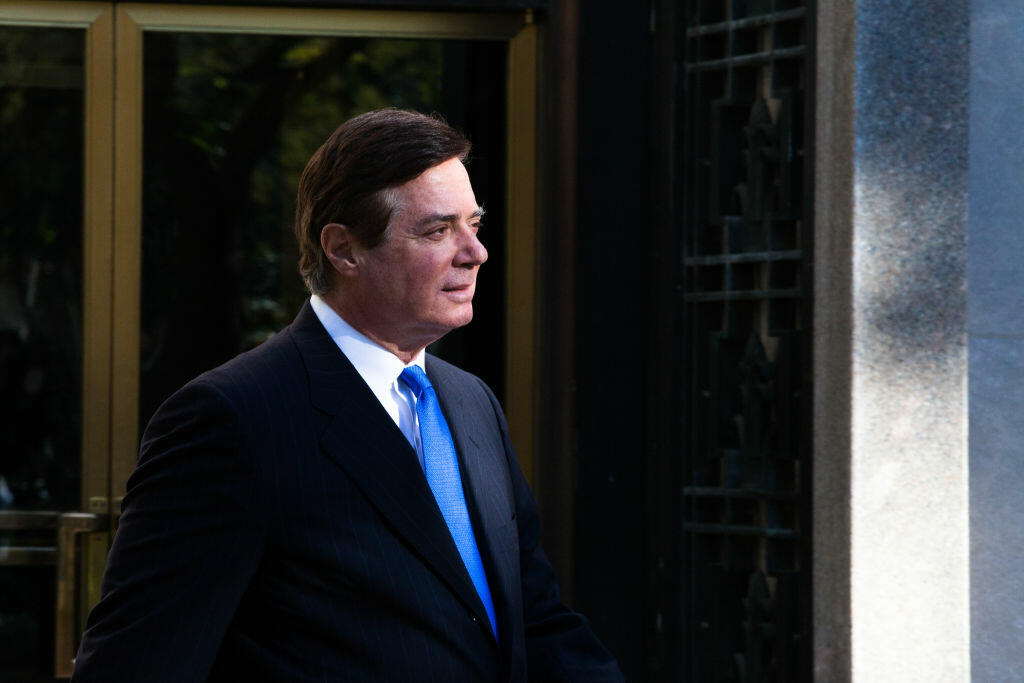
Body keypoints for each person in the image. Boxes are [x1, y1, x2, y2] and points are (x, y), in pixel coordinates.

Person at [73, 109, 623, 682]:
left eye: (474, 224)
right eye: (438, 231)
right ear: (344, 250)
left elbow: (535, 621)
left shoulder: (471, 403)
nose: (475, 252)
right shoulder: (232, 418)